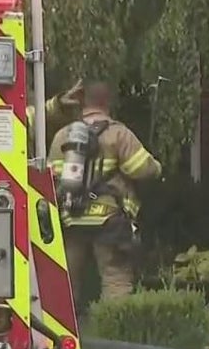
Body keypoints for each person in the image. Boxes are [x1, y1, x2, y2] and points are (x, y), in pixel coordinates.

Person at [47, 80, 161, 304]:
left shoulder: (62, 136)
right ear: (108, 103)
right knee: (116, 279)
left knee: (66, 282)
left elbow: (51, 178)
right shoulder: (118, 134)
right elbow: (142, 169)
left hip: (72, 218)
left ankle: (65, 324)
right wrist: (156, 167)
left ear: (82, 103)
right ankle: (112, 323)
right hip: (109, 219)